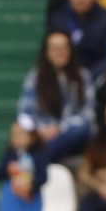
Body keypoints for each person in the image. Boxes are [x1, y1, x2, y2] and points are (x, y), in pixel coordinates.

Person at [18, 31, 94, 166]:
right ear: (46, 52)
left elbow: (87, 115)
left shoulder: (83, 77)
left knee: (83, 129)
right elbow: (25, 115)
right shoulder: (35, 78)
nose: (60, 52)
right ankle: (39, 159)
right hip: (42, 135)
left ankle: (36, 161)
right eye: (54, 48)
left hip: (72, 135)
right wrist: (41, 129)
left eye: (64, 48)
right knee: (23, 133)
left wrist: (59, 128)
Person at [0, 119, 48, 211]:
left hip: (31, 199)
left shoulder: (39, 154)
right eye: (13, 134)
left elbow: (43, 177)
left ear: (31, 136)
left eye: (20, 134)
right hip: (11, 199)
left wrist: (30, 186)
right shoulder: (10, 154)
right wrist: (8, 169)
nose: (16, 137)